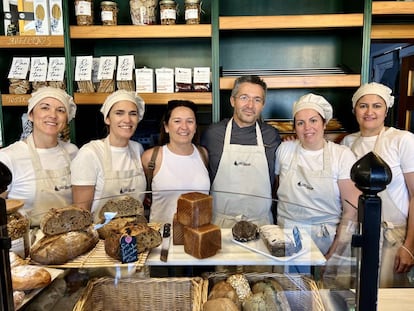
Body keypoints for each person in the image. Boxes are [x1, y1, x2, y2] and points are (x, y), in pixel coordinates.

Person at [341, 82, 414, 287]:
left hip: (393, 238)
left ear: (386, 109)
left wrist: (409, 246)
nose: (369, 112)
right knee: (355, 296)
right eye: (363, 105)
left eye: (377, 105)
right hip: (358, 233)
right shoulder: (347, 143)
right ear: (355, 109)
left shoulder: (402, 140)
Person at [275, 93, 359, 260]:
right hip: (286, 239)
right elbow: (276, 190)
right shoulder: (284, 150)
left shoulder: (342, 155)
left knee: (321, 286)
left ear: (324, 123)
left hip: (326, 239)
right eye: (300, 123)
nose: (307, 128)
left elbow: (351, 212)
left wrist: (334, 253)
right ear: (294, 127)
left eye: (313, 120)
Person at [201, 75, 281, 228]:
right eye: (244, 97)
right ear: (233, 101)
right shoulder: (213, 134)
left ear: (263, 105)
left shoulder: (272, 136)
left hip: (261, 225)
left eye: (257, 100)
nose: (250, 105)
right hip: (221, 224)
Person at [0, 86, 78, 227]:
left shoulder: (73, 153)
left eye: (60, 110)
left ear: (67, 118)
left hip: (68, 239)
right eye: (45, 108)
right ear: (31, 114)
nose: (52, 115)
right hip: (27, 242)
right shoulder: (8, 157)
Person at [71, 90, 147, 223]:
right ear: (107, 118)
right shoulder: (90, 153)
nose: (127, 119)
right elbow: (81, 210)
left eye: (133, 114)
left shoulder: (137, 149)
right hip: (100, 236)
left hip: (134, 233)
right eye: (119, 113)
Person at [141, 100, 210, 225]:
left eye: (190, 121)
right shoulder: (151, 157)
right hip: (162, 237)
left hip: (198, 235)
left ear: (195, 127)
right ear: (166, 127)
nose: (184, 127)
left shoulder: (203, 154)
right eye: (177, 121)